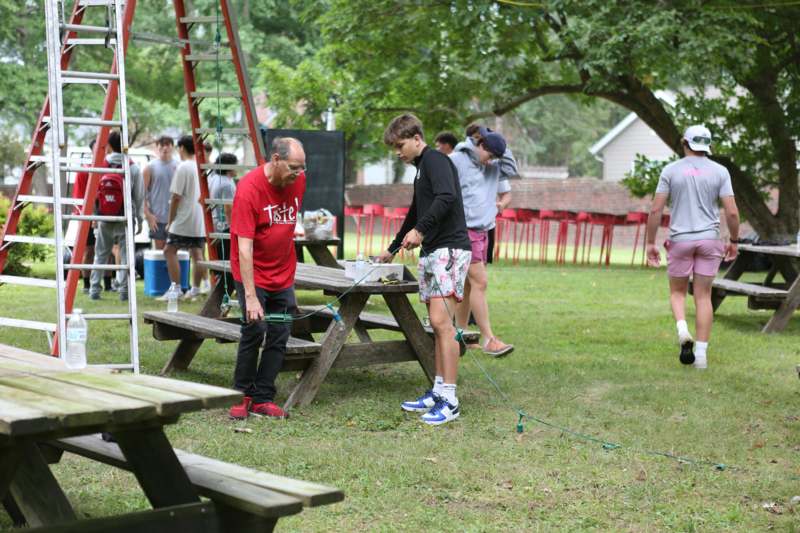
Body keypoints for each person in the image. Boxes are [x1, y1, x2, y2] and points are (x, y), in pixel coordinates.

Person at [377, 114, 471, 426]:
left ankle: (451, 400)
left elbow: (447, 198)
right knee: (435, 322)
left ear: (417, 137)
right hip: (433, 251)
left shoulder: (436, 161)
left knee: (444, 325)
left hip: (450, 250)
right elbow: (416, 212)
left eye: (400, 145)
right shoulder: (421, 170)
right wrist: (392, 248)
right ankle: (438, 390)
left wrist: (421, 230)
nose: (397, 152)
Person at [646, 125, 739, 370]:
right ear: (708, 145)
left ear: (683, 142)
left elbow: (656, 210)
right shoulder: (721, 172)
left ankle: (682, 330)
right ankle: (701, 357)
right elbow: (731, 211)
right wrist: (735, 241)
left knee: (677, 293)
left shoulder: (670, 171)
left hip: (680, 240)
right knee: (703, 296)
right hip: (710, 240)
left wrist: (649, 243)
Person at [227, 137, 306, 420]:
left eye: (302, 167)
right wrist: (250, 296)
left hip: (283, 274)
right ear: (275, 159)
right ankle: (241, 393)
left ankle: (263, 396)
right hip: (253, 273)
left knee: (279, 332)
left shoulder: (297, 181)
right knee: (254, 328)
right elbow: (244, 247)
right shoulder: (249, 189)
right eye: (294, 167)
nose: (299, 173)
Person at [450, 128, 514, 357]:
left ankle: (461, 335)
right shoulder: (458, 160)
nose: (492, 161)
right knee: (480, 282)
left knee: (468, 285)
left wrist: (498, 141)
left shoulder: (494, 168)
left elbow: (511, 171)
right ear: (481, 145)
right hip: (465, 230)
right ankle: (489, 338)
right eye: (490, 154)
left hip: (484, 230)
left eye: (497, 157)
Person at [89, 131, 144, 301]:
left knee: (100, 254)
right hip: (125, 217)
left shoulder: (101, 165)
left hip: (104, 217)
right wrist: (140, 219)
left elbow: (93, 193)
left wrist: (93, 216)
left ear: (110, 146)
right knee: (126, 256)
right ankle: (124, 291)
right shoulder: (132, 167)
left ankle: (94, 290)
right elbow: (139, 196)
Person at [159, 135, 207, 301]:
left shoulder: (183, 167)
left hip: (184, 219)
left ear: (181, 148)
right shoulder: (202, 167)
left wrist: (170, 221)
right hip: (199, 219)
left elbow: (176, 197)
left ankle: (176, 288)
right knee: (197, 253)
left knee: (169, 250)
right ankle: (195, 289)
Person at [465, 124, 518, 263]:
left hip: (487, 226)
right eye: (475, 139)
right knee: (475, 276)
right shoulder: (462, 164)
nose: (479, 142)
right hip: (466, 228)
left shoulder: (492, 168)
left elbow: (507, 194)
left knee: (479, 271)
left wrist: (501, 204)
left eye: (482, 138)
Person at [143, 135, 177, 250]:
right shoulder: (149, 167)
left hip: (176, 219)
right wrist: (148, 216)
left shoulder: (179, 166)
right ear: (157, 147)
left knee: (175, 252)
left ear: (172, 147)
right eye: (162, 145)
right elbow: (141, 195)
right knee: (159, 253)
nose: (165, 148)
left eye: (168, 145)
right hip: (157, 219)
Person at [208, 152, 238, 260]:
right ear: (229, 167)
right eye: (235, 164)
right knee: (227, 261)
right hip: (225, 227)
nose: (237, 167)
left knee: (219, 259)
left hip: (214, 224)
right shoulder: (227, 184)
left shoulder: (214, 178)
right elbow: (228, 209)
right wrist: (233, 230)